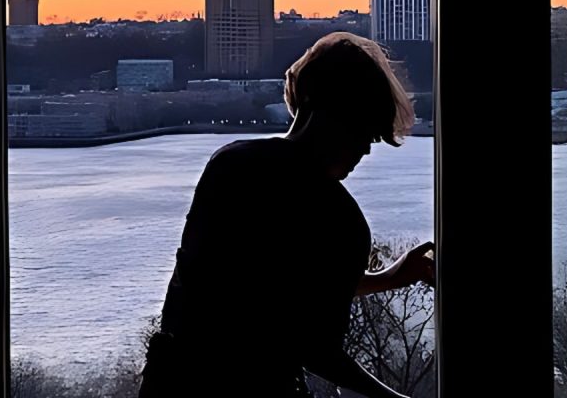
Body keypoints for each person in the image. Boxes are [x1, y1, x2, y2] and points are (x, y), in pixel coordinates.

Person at [138, 32, 435, 398]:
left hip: (174, 382)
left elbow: (251, 290)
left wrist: (385, 278)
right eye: (363, 131)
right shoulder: (340, 218)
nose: (365, 150)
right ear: (325, 112)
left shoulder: (228, 167)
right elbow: (315, 346)